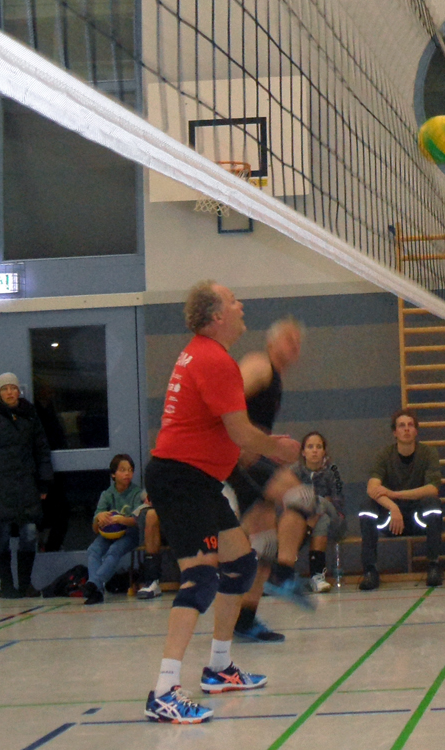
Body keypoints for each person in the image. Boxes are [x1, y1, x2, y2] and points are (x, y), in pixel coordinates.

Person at [143, 281, 300, 724]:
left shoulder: (206, 354)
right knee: (200, 580)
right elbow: (241, 432)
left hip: (199, 480)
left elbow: (227, 429)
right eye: (232, 301)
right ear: (216, 316)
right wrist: (277, 448)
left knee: (242, 565)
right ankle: (164, 692)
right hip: (182, 479)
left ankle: (218, 668)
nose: (240, 304)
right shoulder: (214, 360)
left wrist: (258, 447)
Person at [228, 318, 315, 643]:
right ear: (271, 342)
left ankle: (245, 620)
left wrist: (267, 445)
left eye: (298, 343)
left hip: (249, 457)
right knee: (301, 497)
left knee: (264, 544)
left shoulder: (274, 377)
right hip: (237, 459)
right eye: (289, 340)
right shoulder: (259, 365)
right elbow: (226, 402)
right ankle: (285, 575)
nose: (295, 347)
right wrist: (244, 444)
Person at [0, 371, 52, 599]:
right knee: (2, 536)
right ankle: (6, 585)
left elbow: (41, 450)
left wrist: (44, 482)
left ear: (19, 391)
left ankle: (25, 584)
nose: (10, 392)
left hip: (26, 486)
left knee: (29, 534)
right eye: (5, 389)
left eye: (13, 388)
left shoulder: (30, 417)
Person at [358, 408, 445, 589]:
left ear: (416, 431)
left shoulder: (428, 453)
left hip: (418, 520)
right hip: (391, 521)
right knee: (366, 507)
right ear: (394, 432)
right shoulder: (384, 455)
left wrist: (396, 494)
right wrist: (393, 507)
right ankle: (370, 570)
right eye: (401, 425)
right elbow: (372, 488)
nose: (406, 429)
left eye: (410, 425)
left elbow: (432, 489)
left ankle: (434, 565)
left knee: (433, 504)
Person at [84, 454, 149, 604]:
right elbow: (95, 529)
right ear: (113, 474)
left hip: (130, 533)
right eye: (123, 470)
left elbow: (138, 521)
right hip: (109, 534)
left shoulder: (136, 493)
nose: (127, 474)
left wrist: (122, 520)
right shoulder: (107, 495)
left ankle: (94, 583)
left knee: (114, 550)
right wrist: (99, 518)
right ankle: (97, 592)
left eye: (130, 470)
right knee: (93, 550)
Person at [291, 432, 345, 592]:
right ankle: (317, 576)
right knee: (322, 519)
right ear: (303, 452)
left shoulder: (333, 471)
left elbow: (338, 501)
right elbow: (290, 501)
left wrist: (317, 501)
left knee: (319, 502)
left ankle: (305, 532)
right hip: (305, 520)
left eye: (318, 447)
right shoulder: (294, 471)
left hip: (335, 521)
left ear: (324, 451)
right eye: (310, 447)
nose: (314, 450)